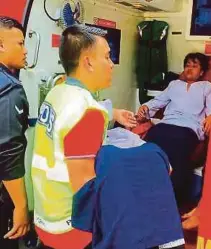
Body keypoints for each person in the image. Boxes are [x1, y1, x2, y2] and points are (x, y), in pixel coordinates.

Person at [31, 25, 136, 249]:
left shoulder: (57, 91)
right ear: (88, 62)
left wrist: (113, 113)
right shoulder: (88, 110)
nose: (111, 64)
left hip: (45, 214)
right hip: (71, 227)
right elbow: (85, 187)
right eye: (107, 57)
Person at [137, 53, 211, 207]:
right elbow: (157, 101)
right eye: (187, 65)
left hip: (188, 129)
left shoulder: (207, 87)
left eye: (194, 66)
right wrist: (146, 107)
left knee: (177, 152)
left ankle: (171, 201)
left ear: (201, 72)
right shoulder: (174, 85)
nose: (189, 69)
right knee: (149, 147)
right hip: (165, 125)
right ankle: (142, 193)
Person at [0, 16, 30, 248]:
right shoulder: (10, 89)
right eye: (20, 44)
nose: (25, 50)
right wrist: (21, 205)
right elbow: (8, 151)